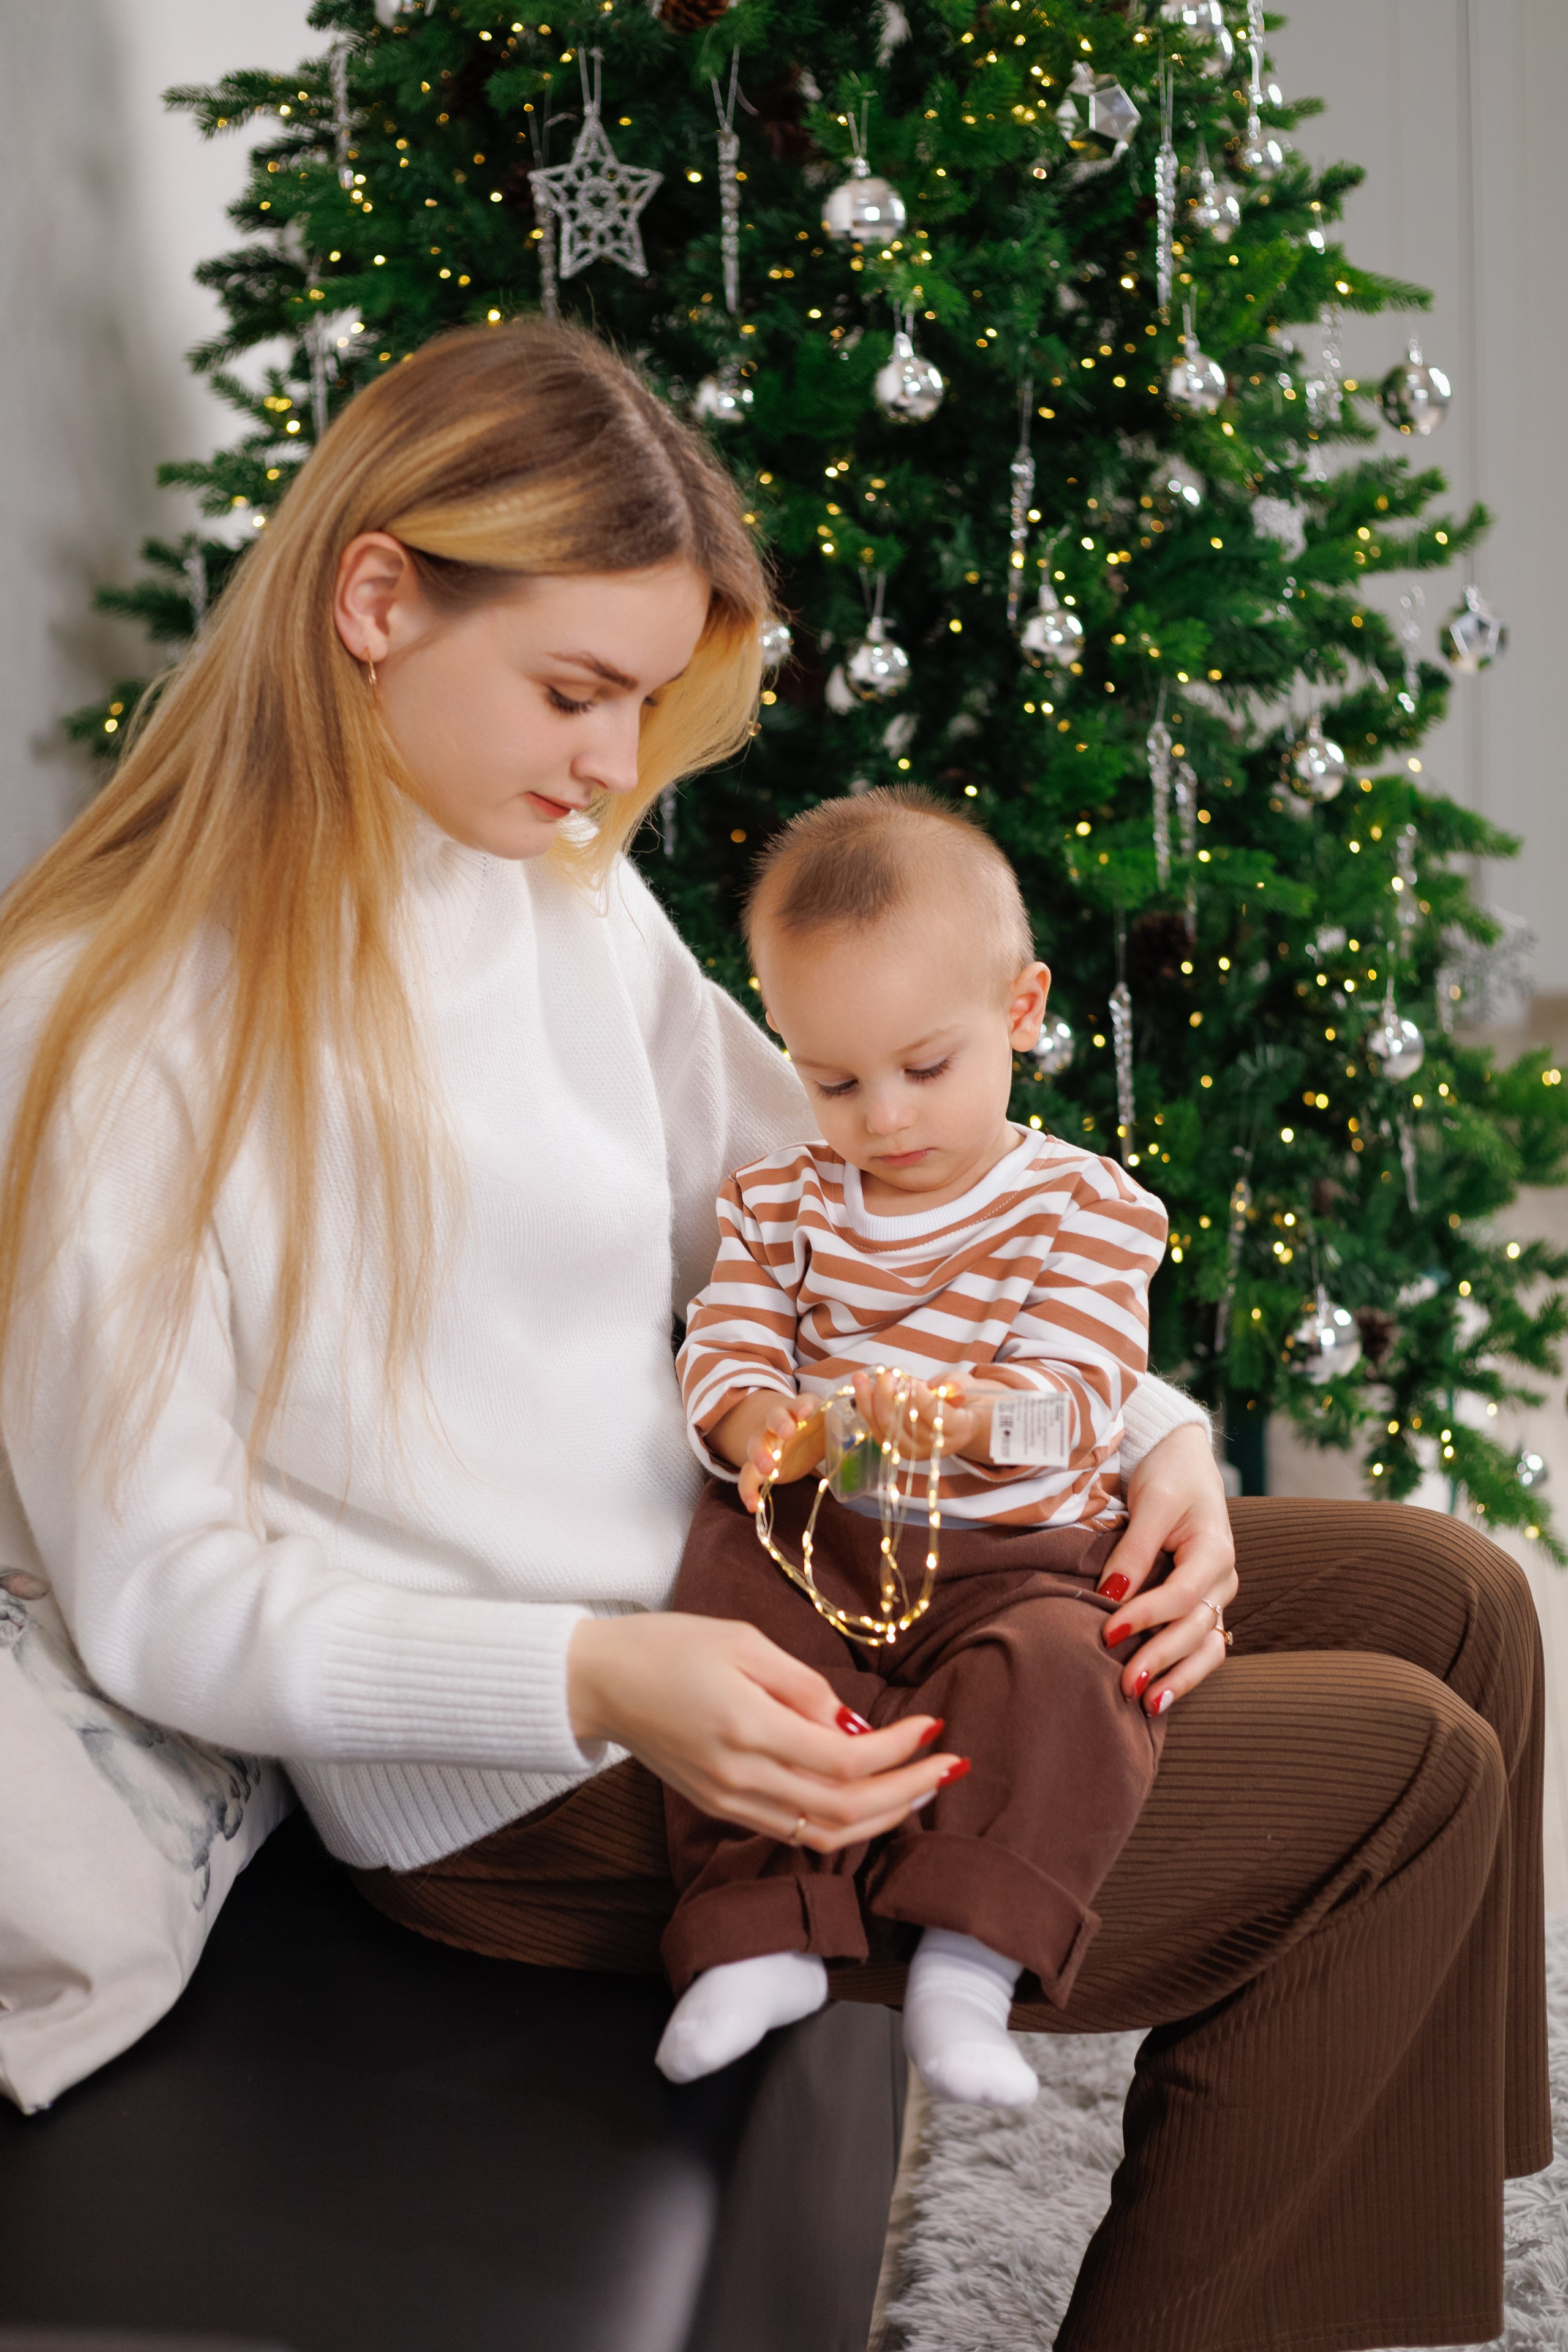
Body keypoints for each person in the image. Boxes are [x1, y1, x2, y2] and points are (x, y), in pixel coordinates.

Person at [0, 318, 1544, 2352]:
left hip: (786, 1567)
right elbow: (161, 1599)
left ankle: (1375, 2277)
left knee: (1453, 1597)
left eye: (643, 703)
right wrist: (599, 1676)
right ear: (375, 598)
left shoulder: (542, 878)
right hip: (524, 1766)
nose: (612, 769)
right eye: (574, 691)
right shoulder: (116, 1024)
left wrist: (1151, 1428)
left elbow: (822, 1204)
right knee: (1400, 1780)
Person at [658, 787, 1176, 2109]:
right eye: (831, 1080)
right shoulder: (781, 1202)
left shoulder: (1087, 1207)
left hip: (1014, 1547)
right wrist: (745, 1419)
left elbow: (1080, 1392)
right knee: (724, 1622)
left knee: (1074, 1675)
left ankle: (966, 1963)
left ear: (1019, 1011)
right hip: (820, 1527)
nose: (880, 1118)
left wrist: (973, 1417)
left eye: (923, 1068)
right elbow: (723, 1338)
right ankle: (760, 1930)